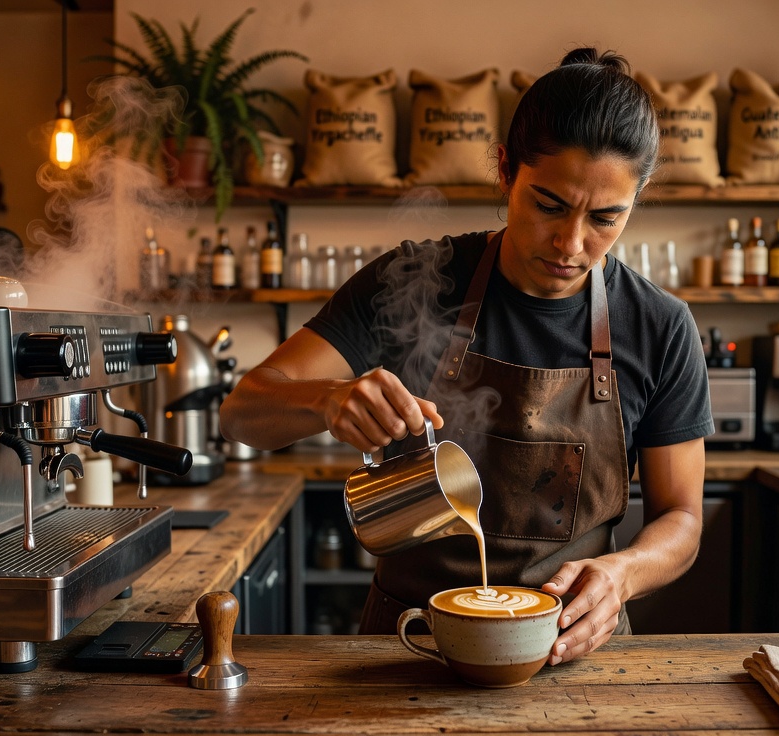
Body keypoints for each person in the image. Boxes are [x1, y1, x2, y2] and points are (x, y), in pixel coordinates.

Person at [220, 47, 712, 666]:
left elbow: (681, 519)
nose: (571, 243)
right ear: (505, 170)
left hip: (567, 650)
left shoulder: (658, 325)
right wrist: (326, 399)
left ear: (637, 199)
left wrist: (625, 573)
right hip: (408, 648)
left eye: (606, 218)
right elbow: (242, 414)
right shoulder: (413, 280)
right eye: (549, 205)